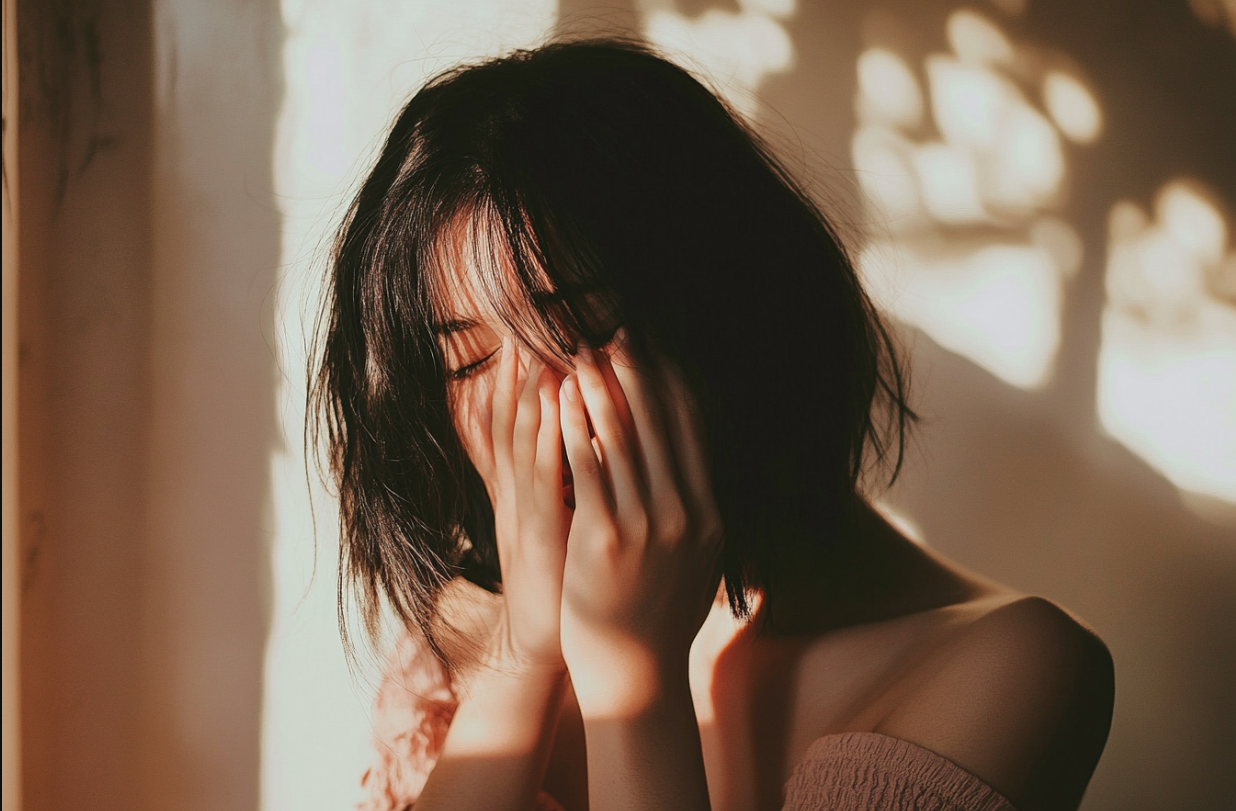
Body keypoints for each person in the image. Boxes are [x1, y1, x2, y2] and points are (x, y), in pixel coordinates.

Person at [311, 39, 1114, 811]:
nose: (538, 411)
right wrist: (519, 664)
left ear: (728, 308)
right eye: (470, 362)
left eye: (576, 327)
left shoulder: (1004, 668)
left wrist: (634, 677)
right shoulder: (460, 638)